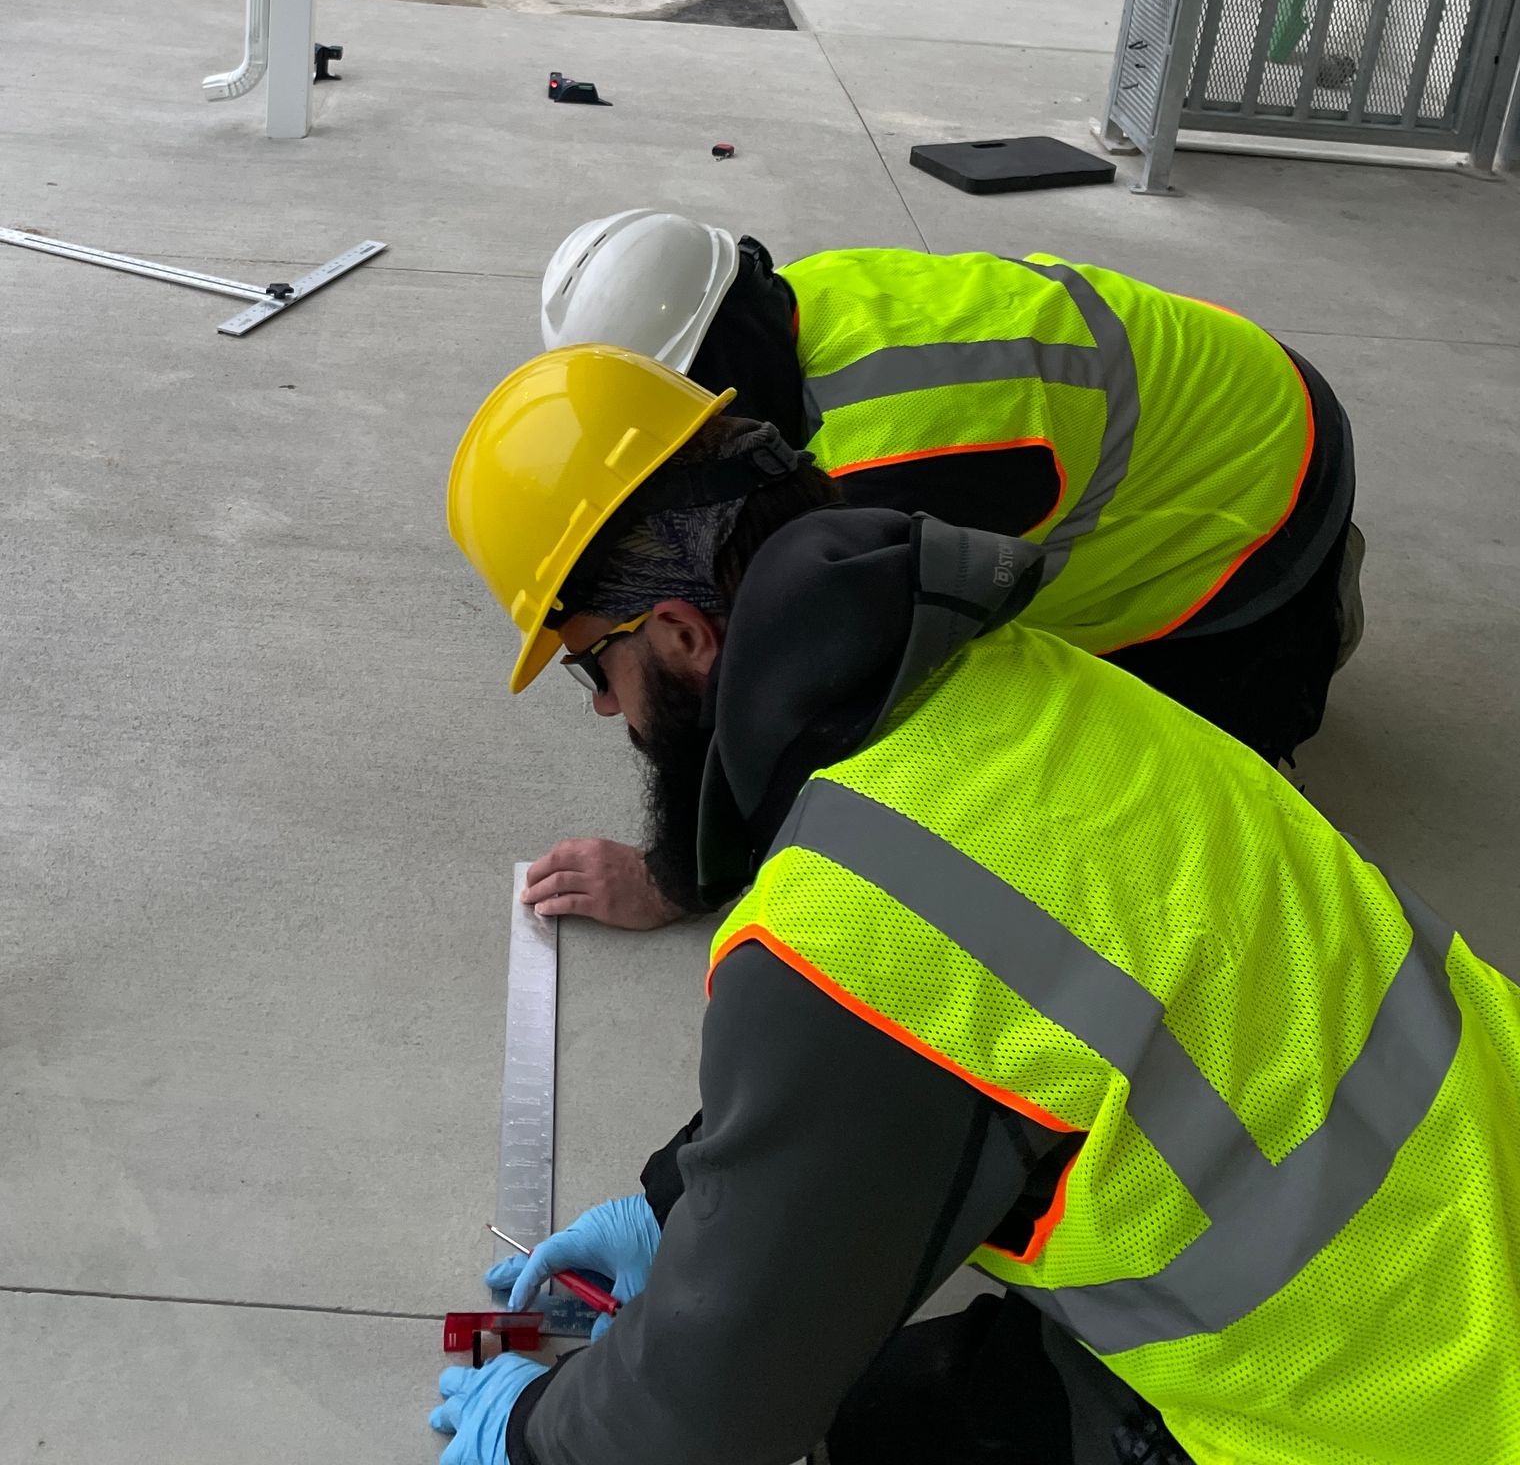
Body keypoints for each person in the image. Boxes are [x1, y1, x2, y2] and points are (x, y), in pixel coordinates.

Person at [431, 347, 1520, 1465]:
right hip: (1466, 1237)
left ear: (680, 635)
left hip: (1406, 1417)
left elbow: (700, 1418)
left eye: (588, 667)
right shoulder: (1025, 684)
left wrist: (526, 1431)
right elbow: (938, 1041)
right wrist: (673, 1205)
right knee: (904, 1402)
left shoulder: (850, 927)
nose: (609, 709)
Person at [526, 212, 1362, 930]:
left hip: (1266, 490)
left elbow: (788, 700)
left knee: (1148, 846)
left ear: (716, 379)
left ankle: (1301, 623)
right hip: (1220, 381)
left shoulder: (890, 460)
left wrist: (673, 879)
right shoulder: (790, 313)